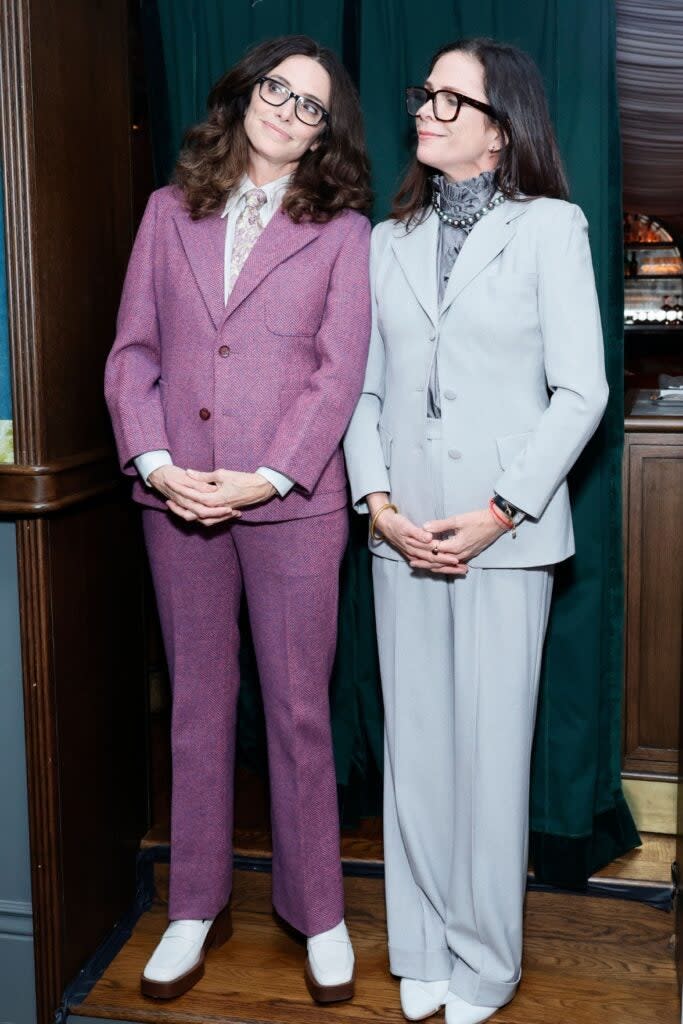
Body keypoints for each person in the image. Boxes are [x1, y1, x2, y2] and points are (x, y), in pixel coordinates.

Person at [343, 36, 608, 1024]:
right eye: (424, 95)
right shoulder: (384, 240)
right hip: (399, 529)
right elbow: (358, 394)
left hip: (504, 534)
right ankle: (419, 942)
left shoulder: (549, 228)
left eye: (452, 102)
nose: (425, 110)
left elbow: (580, 390)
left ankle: (484, 961)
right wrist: (376, 505)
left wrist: (499, 510)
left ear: (500, 136)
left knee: (489, 753)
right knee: (414, 752)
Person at [105, 34, 371, 1003]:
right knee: (197, 707)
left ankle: (319, 912)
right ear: (244, 95)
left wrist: (266, 477)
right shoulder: (167, 211)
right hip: (176, 498)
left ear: (322, 135)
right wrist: (159, 459)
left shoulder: (342, 232)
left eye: (310, 105)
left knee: (300, 712)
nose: (288, 111)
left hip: (291, 505)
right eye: (277, 90)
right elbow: (132, 352)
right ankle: (191, 906)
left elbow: (337, 374)